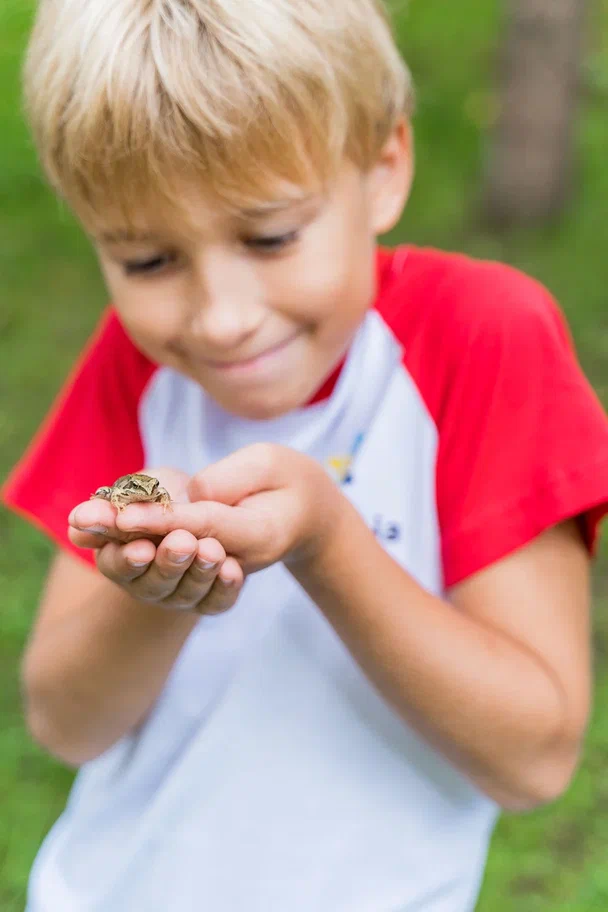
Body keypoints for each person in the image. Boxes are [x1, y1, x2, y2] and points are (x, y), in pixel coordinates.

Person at [3, 1, 608, 909]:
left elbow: (533, 759)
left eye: (270, 237)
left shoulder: (481, 339)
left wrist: (326, 540)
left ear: (383, 169)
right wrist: (157, 590)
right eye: (147, 261)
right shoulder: (136, 368)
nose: (221, 316)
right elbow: (63, 723)